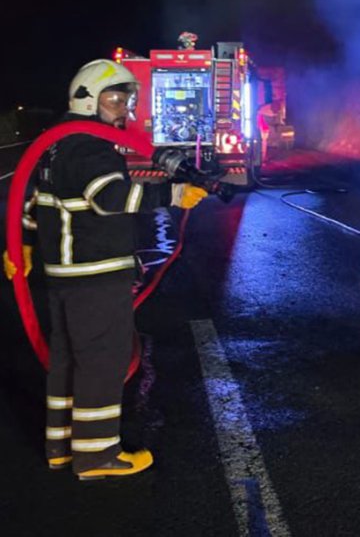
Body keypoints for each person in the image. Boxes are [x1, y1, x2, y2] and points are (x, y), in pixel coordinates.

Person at [3, 59, 208, 480]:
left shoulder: (55, 145)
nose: (124, 111)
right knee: (102, 361)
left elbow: (33, 203)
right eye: (115, 100)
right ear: (87, 100)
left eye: (127, 102)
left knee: (67, 361)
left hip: (65, 276)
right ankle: (96, 456)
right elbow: (109, 197)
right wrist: (173, 194)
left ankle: (62, 446)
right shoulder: (89, 147)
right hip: (94, 274)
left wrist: (23, 245)